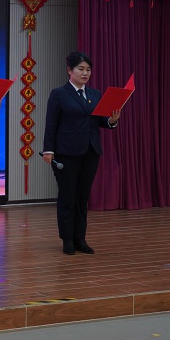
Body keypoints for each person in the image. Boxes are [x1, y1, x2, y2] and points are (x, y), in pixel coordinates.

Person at [42, 51, 120, 256]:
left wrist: (112, 120)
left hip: (90, 152)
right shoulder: (59, 94)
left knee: (82, 196)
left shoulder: (95, 94)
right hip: (66, 153)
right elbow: (51, 124)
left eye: (88, 70)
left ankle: (80, 238)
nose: (85, 73)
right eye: (81, 69)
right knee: (67, 196)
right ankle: (67, 239)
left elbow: (101, 120)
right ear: (69, 70)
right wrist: (48, 150)